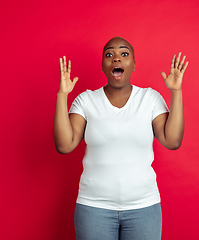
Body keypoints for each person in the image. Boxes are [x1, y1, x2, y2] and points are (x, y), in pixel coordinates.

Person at [53, 37, 188, 240]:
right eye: (109, 55)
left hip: (143, 207)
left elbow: (172, 141)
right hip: (93, 207)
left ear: (133, 64)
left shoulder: (149, 99)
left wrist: (175, 91)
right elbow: (64, 145)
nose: (116, 59)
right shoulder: (86, 100)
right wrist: (62, 95)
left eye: (124, 54)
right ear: (103, 66)